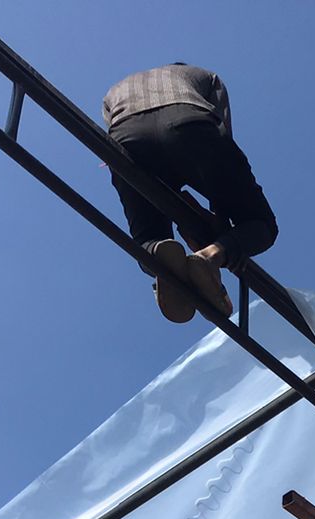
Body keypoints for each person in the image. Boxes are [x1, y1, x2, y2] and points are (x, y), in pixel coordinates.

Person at [102, 64, 278, 324]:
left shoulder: (114, 90)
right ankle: (210, 256)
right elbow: (221, 129)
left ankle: (159, 255)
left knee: (148, 237)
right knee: (261, 225)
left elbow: (113, 131)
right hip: (189, 121)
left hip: (126, 135)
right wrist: (222, 222)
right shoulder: (206, 76)